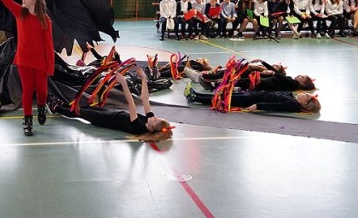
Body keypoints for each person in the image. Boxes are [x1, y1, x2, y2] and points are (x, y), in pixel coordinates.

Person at [0, 0, 54, 136]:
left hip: (41, 63)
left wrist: (50, 67)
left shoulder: (46, 20)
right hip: (23, 61)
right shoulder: (19, 13)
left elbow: (49, 45)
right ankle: (28, 121)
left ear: (35, 0)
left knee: (42, 92)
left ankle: (42, 107)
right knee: (28, 91)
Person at [48, 68, 173, 141]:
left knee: (80, 113)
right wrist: (144, 79)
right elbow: (145, 99)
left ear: (151, 128)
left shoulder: (139, 127)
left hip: (105, 120)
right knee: (85, 107)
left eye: (155, 120)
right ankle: (62, 104)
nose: (154, 117)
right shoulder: (148, 119)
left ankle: (56, 107)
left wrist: (123, 83)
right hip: (111, 113)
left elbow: (131, 104)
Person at [184, 84, 321, 113]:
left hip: (251, 100)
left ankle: (195, 97)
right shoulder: (291, 97)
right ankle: (197, 95)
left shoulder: (291, 104)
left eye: (306, 95)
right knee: (224, 95)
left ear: (304, 102)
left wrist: (258, 106)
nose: (304, 93)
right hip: (254, 95)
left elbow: (275, 106)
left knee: (224, 99)